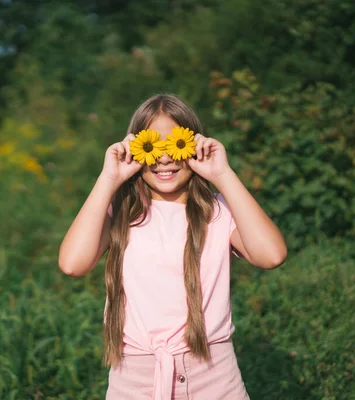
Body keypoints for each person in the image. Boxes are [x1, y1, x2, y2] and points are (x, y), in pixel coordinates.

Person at [58, 94, 287, 400]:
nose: (164, 158)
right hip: (134, 381)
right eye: (152, 147)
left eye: (175, 145)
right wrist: (108, 178)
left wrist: (223, 174)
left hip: (215, 378)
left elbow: (271, 255)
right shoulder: (121, 211)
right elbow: (73, 264)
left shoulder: (217, 211)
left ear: (193, 145)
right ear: (135, 150)